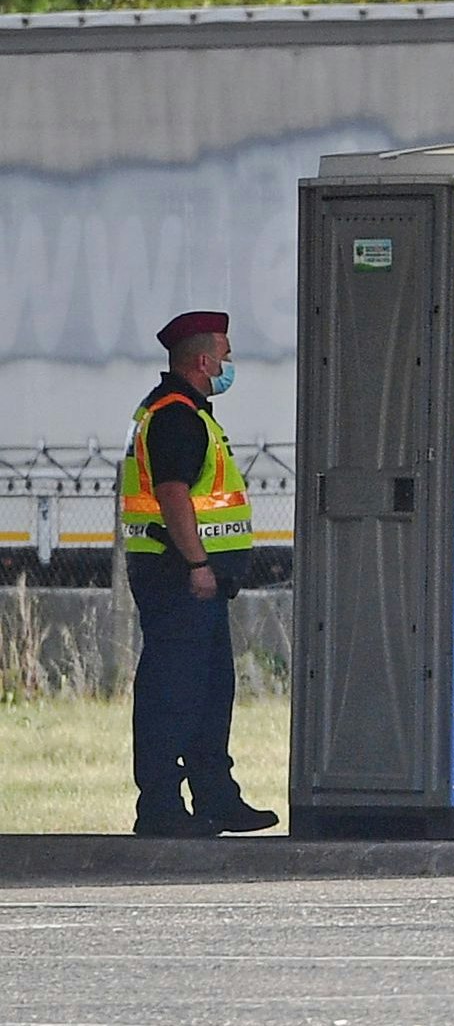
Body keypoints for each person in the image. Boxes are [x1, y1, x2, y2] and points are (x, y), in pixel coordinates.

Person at [118, 311, 274, 838]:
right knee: (173, 694)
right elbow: (173, 494)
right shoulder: (176, 416)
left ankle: (216, 798)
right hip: (179, 578)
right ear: (204, 360)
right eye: (225, 357)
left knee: (209, 692)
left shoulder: (186, 413)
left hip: (195, 583)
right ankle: (160, 807)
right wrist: (198, 563)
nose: (229, 365)